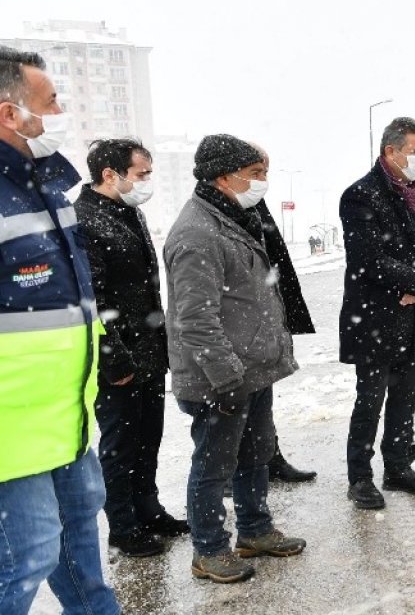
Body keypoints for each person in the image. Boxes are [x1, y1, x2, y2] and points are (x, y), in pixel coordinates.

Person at [0, 45, 122, 615]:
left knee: (80, 551)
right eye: (50, 103)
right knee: (23, 561)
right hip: (10, 433)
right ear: (10, 114)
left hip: (66, 415)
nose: (59, 113)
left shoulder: (46, 188)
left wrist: (105, 343)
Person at [166, 134, 306, 584]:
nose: (263, 183)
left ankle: (255, 531)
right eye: (256, 174)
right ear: (224, 177)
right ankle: (208, 550)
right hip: (219, 378)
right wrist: (226, 380)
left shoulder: (231, 216)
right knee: (213, 466)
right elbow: (195, 318)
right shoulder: (197, 233)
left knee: (255, 455)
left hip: (249, 370)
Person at [75, 139, 187, 559]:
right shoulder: (84, 220)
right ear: (110, 174)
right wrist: (113, 358)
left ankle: (149, 510)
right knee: (120, 443)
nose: (147, 182)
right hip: (118, 358)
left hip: (148, 351)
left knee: (148, 437)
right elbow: (94, 299)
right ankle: (123, 526)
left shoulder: (129, 211)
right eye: (142, 174)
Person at [339, 117, 415, 510]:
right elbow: (367, 259)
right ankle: (360, 477)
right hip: (375, 318)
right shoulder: (360, 195)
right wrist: (414, 282)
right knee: (370, 400)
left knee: (405, 396)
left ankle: (398, 465)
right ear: (392, 151)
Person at [247, 142, 318, 484]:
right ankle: (243, 471)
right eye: (257, 171)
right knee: (240, 408)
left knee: (263, 399)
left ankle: (269, 457)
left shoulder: (255, 204)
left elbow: (274, 258)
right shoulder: (226, 211)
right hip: (246, 324)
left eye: (266, 171)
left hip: (265, 319)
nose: (263, 179)